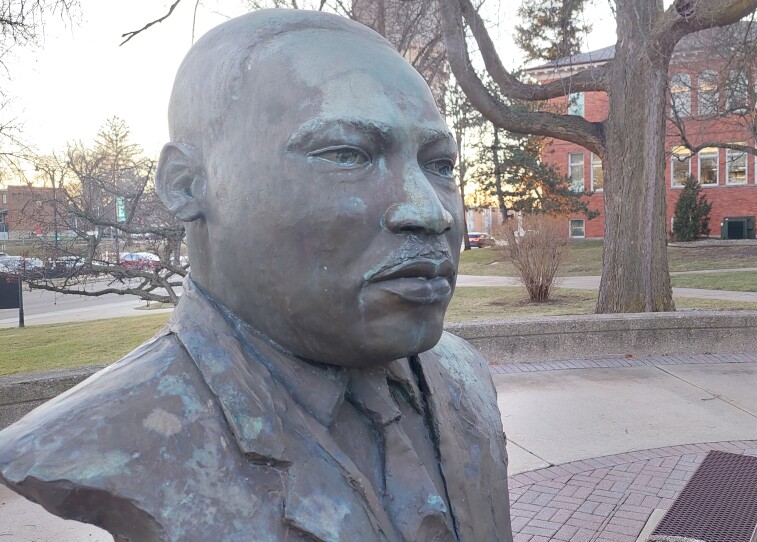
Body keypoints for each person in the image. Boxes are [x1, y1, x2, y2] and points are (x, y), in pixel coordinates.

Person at [0, 10, 512, 542]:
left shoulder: (462, 378)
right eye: (347, 154)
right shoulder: (94, 438)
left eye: (440, 164)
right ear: (186, 184)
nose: (431, 211)